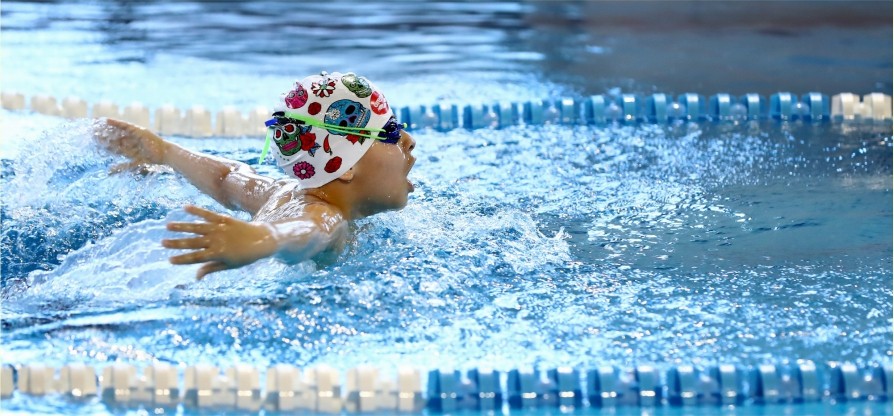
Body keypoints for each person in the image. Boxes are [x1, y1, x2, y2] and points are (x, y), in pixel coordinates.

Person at [93, 71, 416, 279]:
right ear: (344, 166)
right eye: (389, 132)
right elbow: (309, 231)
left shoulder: (281, 193)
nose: (408, 140)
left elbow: (228, 177)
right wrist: (265, 239)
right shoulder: (325, 214)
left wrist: (166, 152)